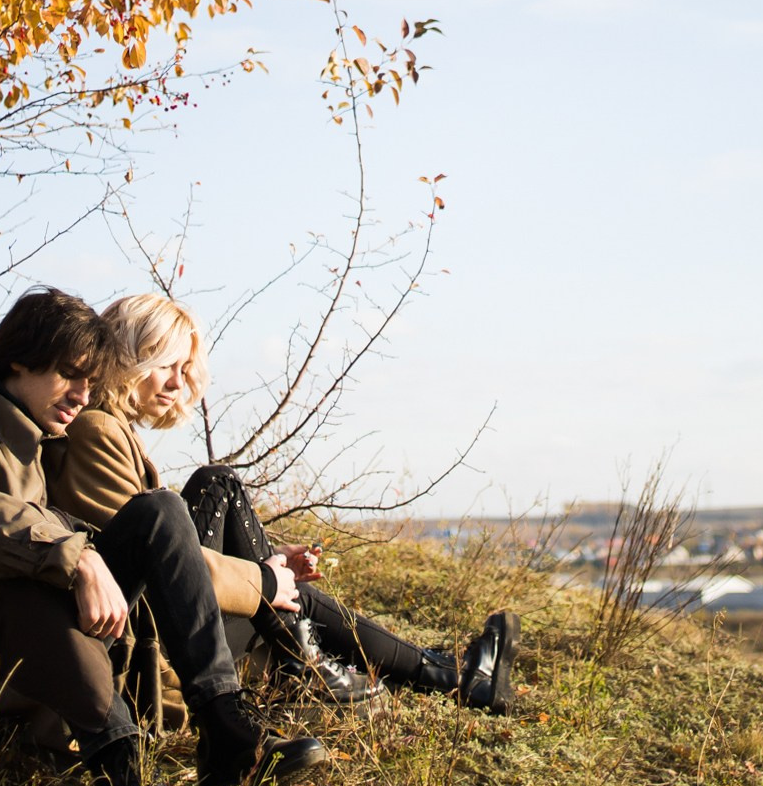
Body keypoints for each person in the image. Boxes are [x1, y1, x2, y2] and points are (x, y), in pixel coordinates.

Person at [0, 287, 326, 786]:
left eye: (90, 381)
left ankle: (224, 729)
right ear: (21, 359)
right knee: (21, 579)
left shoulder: (36, 448)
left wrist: (87, 554)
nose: (82, 396)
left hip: (19, 650)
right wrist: (70, 556)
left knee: (161, 513)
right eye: (71, 375)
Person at [48, 292, 519, 714]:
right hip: (156, 641)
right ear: (128, 357)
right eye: (165, 364)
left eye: (183, 370)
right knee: (219, 486)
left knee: (277, 570)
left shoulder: (111, 429)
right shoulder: (97, 430)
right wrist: (265, 578)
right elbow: (157, 563)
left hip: (165, 622)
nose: (176, 383)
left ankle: (439, 673)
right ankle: (356, 667)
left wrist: (268, 572)